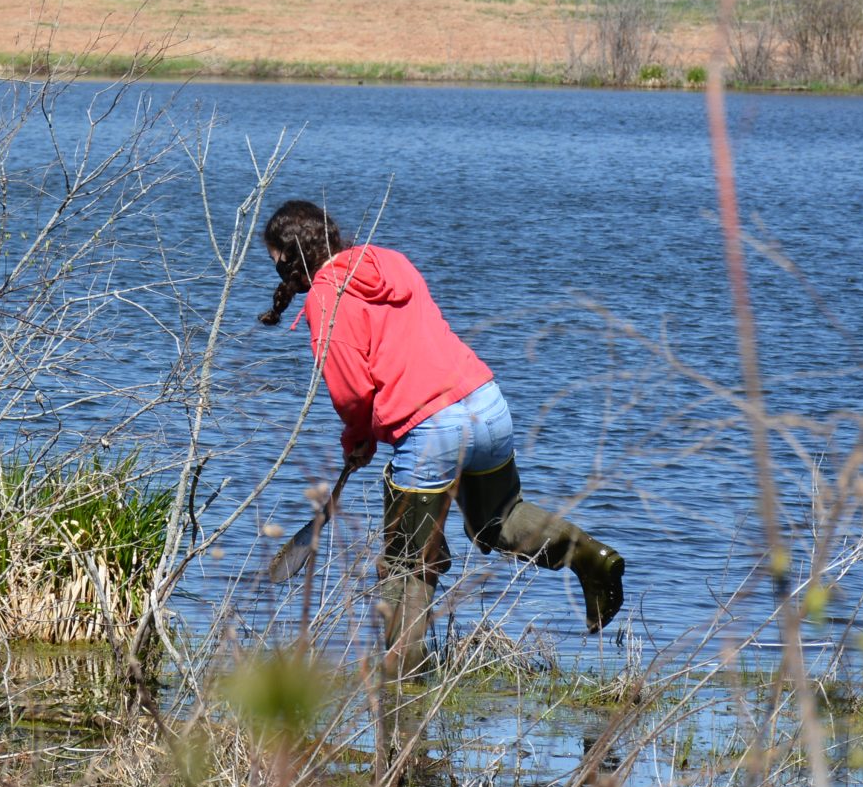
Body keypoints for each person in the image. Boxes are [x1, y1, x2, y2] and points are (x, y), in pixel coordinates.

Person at [261, 199, 624, 674]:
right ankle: (592, 559)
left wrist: (358, 435)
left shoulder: (326, 298)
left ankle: (404, 677)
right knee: (498, 520)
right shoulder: (388, 261)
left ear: (290, 257)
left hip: (432, 429)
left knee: (406, 562)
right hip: (486, 402)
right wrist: (372, 428)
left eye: (274, 261)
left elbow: (351, 391)